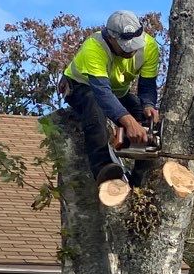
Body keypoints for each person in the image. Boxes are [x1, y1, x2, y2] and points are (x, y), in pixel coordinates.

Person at [62, 11, 162, 187]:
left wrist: (148, 104)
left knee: (143, 117)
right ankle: (104, 169)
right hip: (82, 87)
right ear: (111, 37)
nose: (130, 50)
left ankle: (139, 180)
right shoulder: (94, 48)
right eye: (125, 46)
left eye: (134, 45)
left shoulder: (150, 47)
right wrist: (129, 122)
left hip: (117, 92)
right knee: (94, 106)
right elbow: (102, 93)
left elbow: (147, 85)